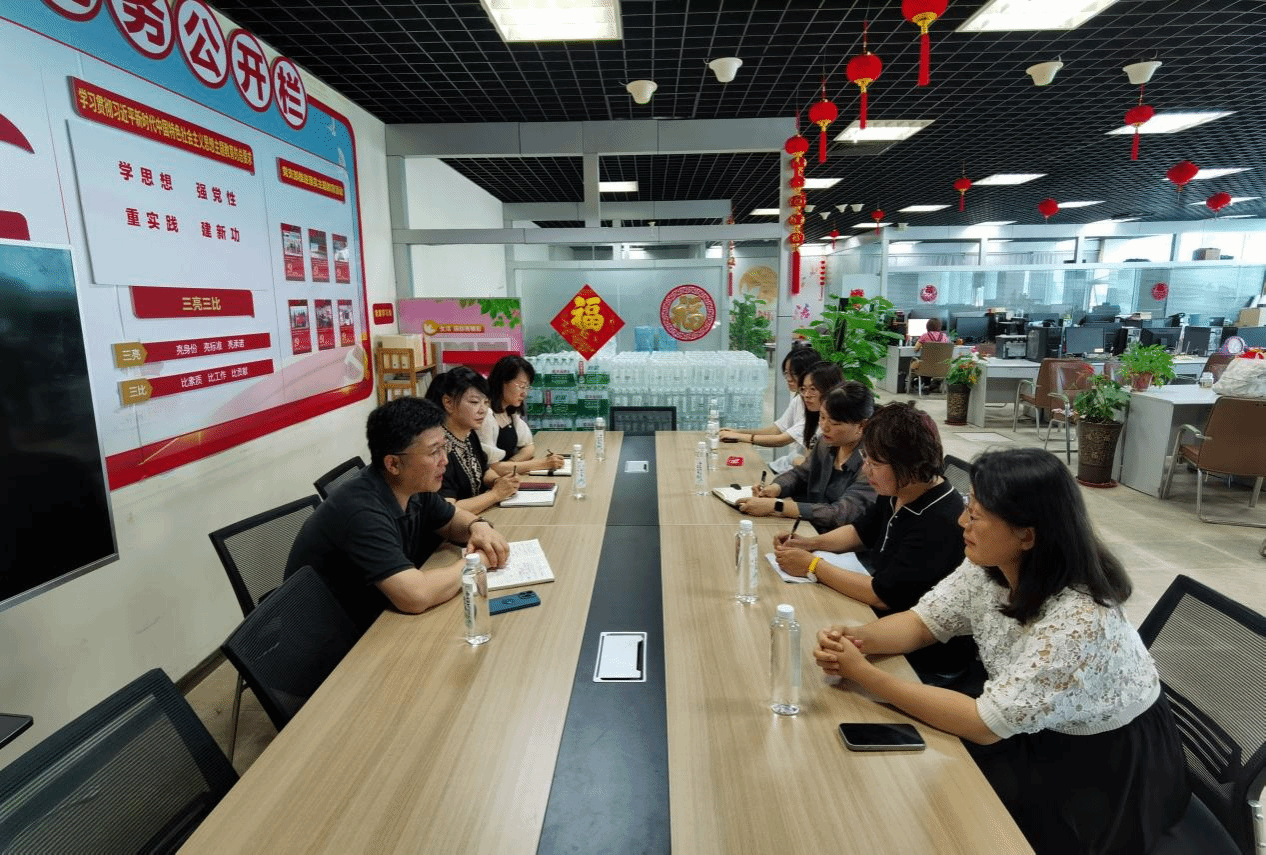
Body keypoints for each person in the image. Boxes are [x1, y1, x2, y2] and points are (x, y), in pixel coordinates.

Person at [811, 448, 1190, 855]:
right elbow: (925, 622)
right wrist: (858, 639)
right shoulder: (990, 563)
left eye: (975, 515)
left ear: (1027, 535)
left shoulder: (1081, 618)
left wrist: (865, 674)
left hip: (1102, 768)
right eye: (968, 507)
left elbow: (983, 724)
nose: (962, 522)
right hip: (1025, 726)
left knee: (962, 824)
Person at [774, 401, 976, 684]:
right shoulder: (897, 490)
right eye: (865, 459)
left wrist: (813, 566)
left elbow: (883, 595)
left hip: (919, 653)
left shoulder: (940, 519)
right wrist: (809, 544)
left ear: (910, 465)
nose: (866, 470)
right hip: (880, 623)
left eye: (875, 464)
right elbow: (861, 532)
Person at [285, 396, 510, 633]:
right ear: (393, 464)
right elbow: (416, 596)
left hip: (377, 616)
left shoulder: (412, 485)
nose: (444, 460)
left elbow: (451, 520)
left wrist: (478, 527)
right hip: (336, 639)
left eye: (444, 447)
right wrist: (477, 563)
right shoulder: (361, 511)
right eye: (434, 452)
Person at [737, 381, 876, 532]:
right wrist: (776, 488)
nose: (824, 427)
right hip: (810, 528)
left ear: (862, 426)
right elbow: (801, 474)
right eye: (822, 417)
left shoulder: (872, 463)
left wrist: (777, 506)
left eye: (835, 423)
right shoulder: (825, 443)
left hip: (841, 541)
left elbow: (840, 514)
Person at [425, 366, 520, 515]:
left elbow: (484, 471)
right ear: (448, 403)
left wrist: (499, 482)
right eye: (475, 402)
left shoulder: (469, 434)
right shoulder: (438, 447)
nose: (483, 410)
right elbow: (447, 509)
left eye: (486, 402)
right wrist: (496, 494)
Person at [719, 345, 821, 472]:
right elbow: (776, 429)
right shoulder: (799, 400)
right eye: (786, 373)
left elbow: (781, 440)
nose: (788, 379)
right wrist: (737, 432)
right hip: (787, 466)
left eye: (794, 373)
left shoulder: (817, 408)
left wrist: (738, 436)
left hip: (795, 471)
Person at [477, 355, 565, 476]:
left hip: (508, 479)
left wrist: (511, 465)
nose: (524, 393)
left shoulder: (509, 412)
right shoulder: (485, 415)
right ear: (502, 382)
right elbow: (493, 468)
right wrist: (543, 463)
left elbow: (529, 447)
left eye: (527, 387)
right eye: (521, 386)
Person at [909, 317, 951, 392]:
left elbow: (916, 348)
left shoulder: (925, 336)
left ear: (927, 326)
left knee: (921, 361)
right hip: (941, 367)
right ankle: (931, 384)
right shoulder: (944, 336)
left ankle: (922, 383)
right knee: (931, 363)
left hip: (926, 367)